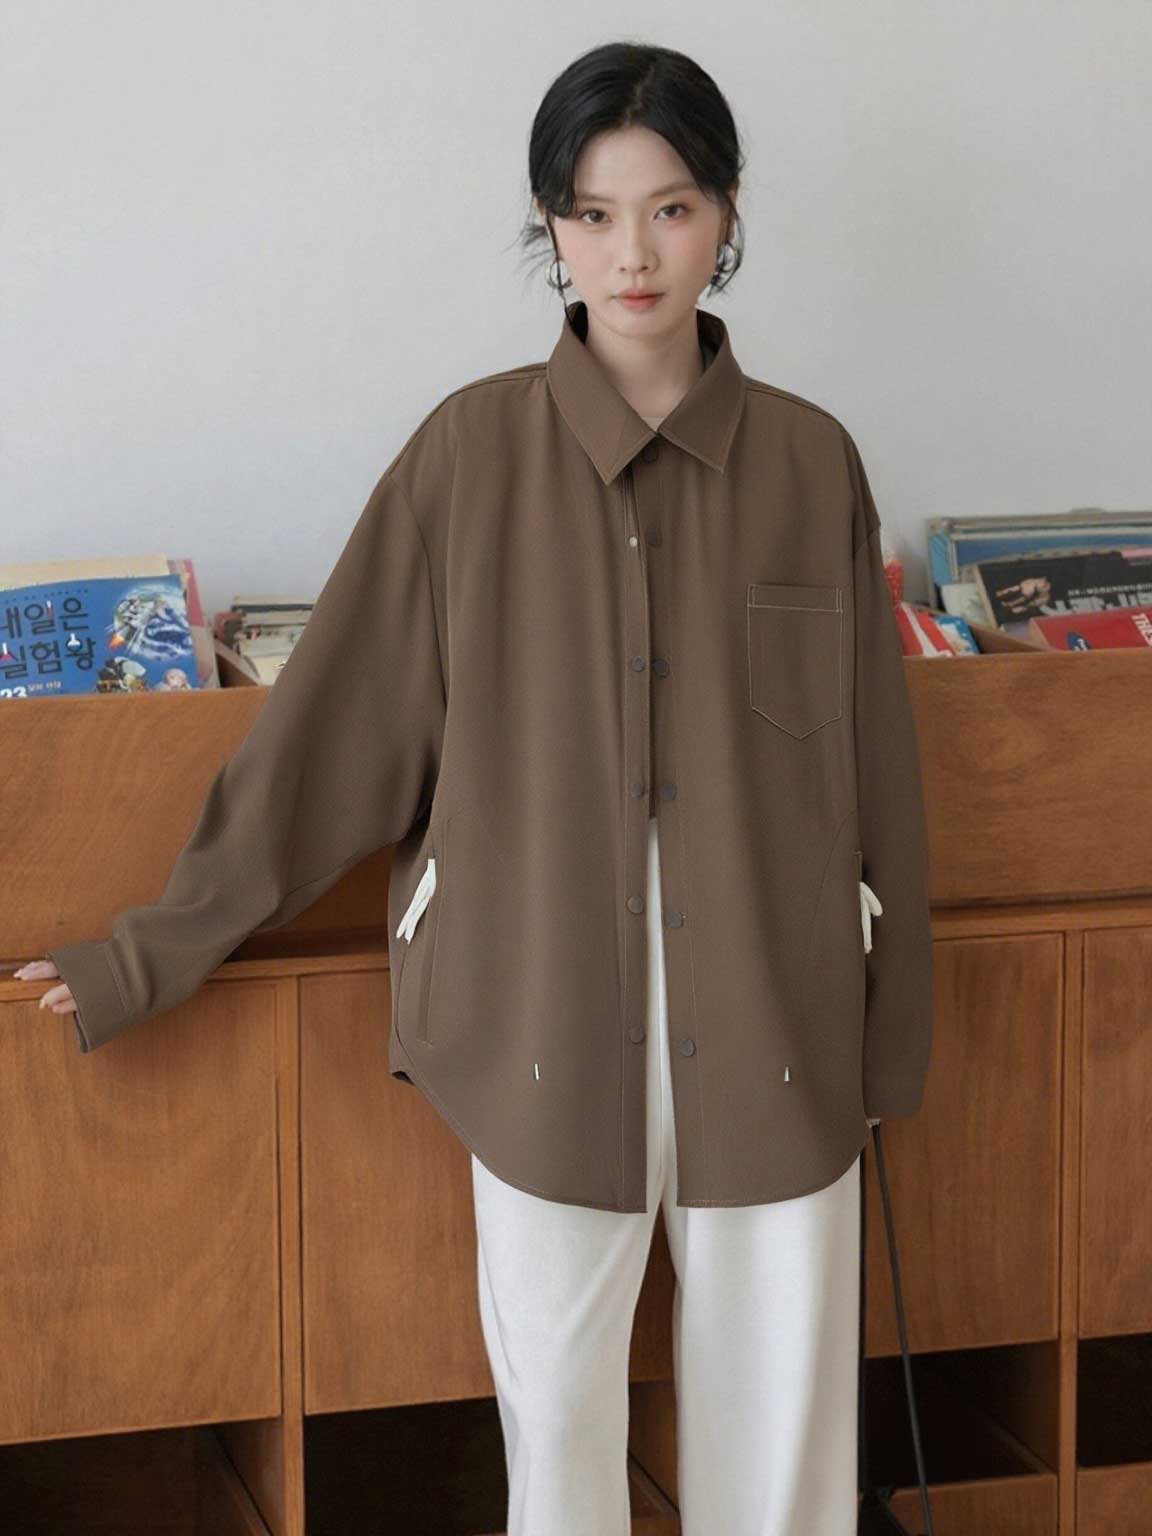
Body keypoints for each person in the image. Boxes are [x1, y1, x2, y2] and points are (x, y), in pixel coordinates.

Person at [16, 39, 933, 1536]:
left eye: (671, 208)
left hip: (781, 1028)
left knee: (783, 1470)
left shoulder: (810, 464)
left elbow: (878, 776)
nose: (632, 254)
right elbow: (331, 739)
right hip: (536, 1028)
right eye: (592, 213)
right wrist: (147, 953)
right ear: (549, 226)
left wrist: (891, 1043)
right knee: (556, 1449)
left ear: (726, 214)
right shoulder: (467, 457)